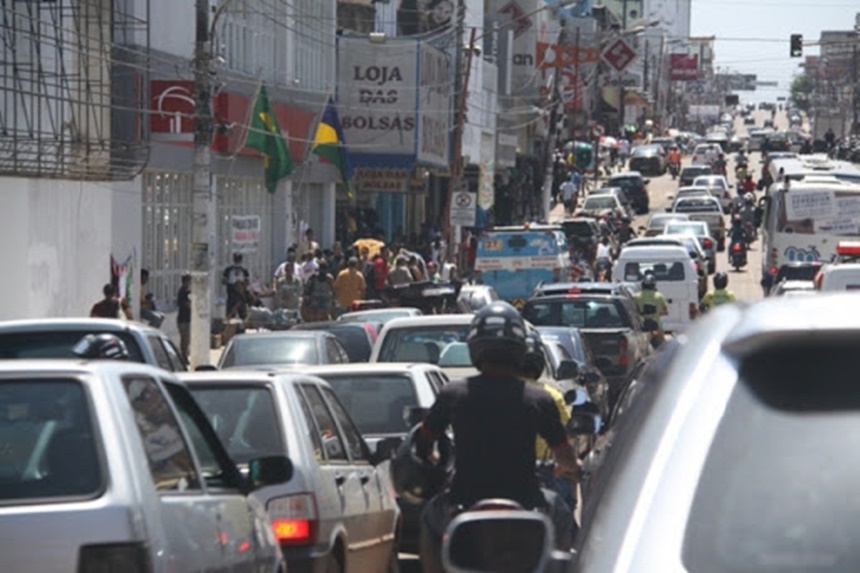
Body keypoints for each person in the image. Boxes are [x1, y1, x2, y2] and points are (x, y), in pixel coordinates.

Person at [415, 302, 579, 572]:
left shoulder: (452, 393)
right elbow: (564, 453)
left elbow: (423, 441)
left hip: (462, 502)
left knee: (428, 519)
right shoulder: (539, 398)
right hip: (528, 502)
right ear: (519, 348)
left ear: (475, 345)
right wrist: (569, 467)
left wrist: (432, 459)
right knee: (561, 515)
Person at [521, 331, 577, 523]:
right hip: (543, 478)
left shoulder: (491, 394)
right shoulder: (551, 396)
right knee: (566, 517)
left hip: (495, 479)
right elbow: (564, 444)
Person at [633, 273, 668, 347]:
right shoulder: (659, 296)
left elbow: (632, 310)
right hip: (657, 327)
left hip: (641, 327)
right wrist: (657, 313)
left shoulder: (636, 297)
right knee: (662, 348)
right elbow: (665, 311)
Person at [176, 273, 191, 362]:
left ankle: (184, 356)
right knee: (185, 339)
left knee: (185, 339)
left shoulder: (183, 291)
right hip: (184, 319)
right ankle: (183, 356)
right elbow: (187, 304)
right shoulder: (185, 292)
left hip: (183, 318)